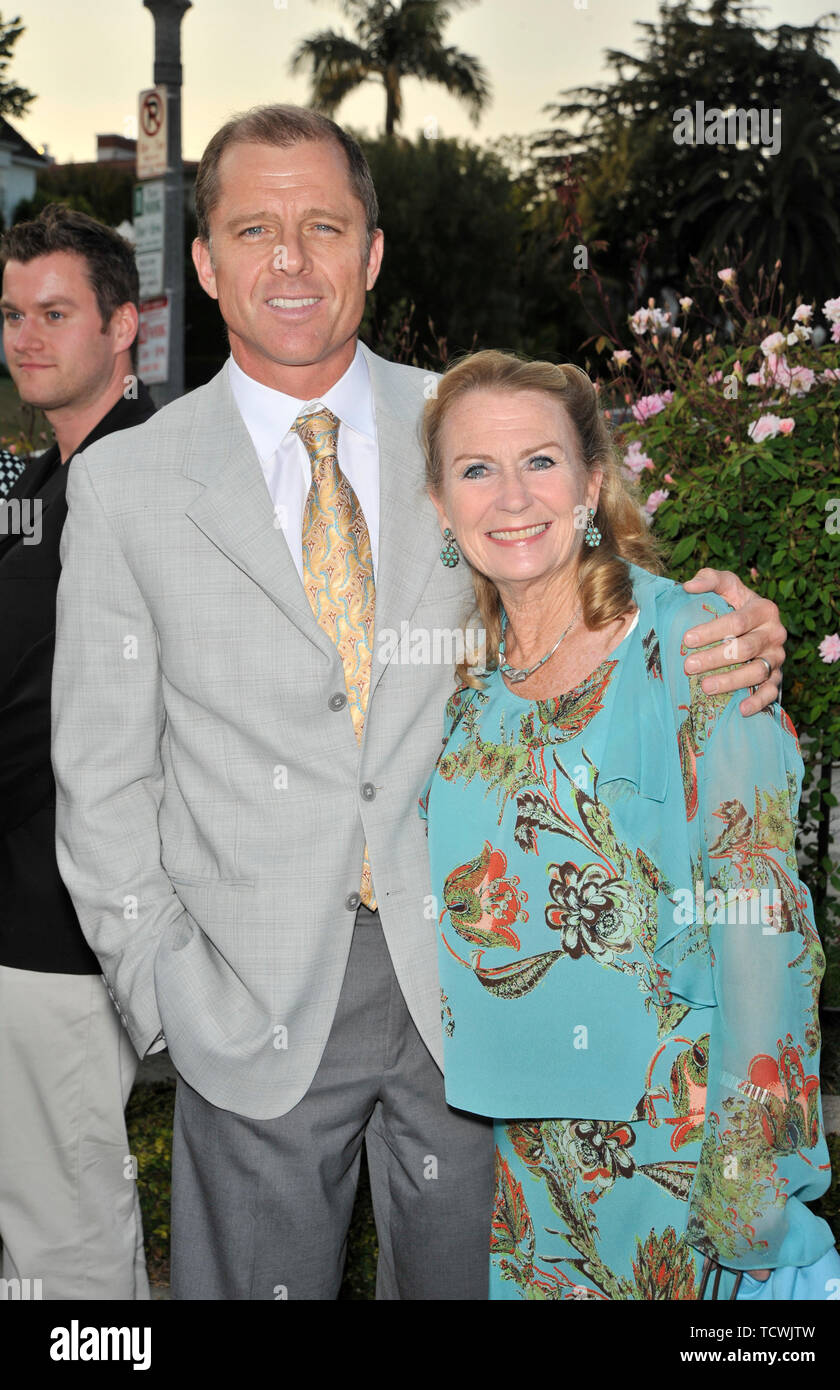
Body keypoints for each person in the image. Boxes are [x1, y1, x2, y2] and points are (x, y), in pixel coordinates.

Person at [52, 104, 787, 1302]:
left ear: (372, 254)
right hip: (245, 1001)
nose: (289, 260)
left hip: (482, 984)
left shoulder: (471, 425)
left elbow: (612, 603)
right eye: (254, 229)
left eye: (323, 227)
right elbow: (100, 779)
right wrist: (170, 996)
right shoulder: (129, 483)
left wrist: (726, 632)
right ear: (204, 262)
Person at [420, 349, 840, 1300]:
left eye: (541, 461)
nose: (512, 496)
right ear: (442, 507)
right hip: (532, 1174)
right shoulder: (473, 694)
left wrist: (748, 1184)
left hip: (682, 1158)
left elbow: (762, 918)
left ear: (593, 485)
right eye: (476, 470)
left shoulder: (695, 642)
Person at [0, 205, 154, 1300]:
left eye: (55, 313)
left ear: (125, 325)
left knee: (66, 1230)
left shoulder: (142, 479)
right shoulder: (40, 485)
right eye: (11, 314)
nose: (24, 337)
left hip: (63, 922)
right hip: (25, 908)